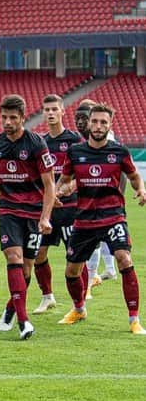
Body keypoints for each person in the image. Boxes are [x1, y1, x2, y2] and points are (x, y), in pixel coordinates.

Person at [55, 103, 146, 335]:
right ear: (90, 122)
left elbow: (134, 176)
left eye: (103, 122)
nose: (98, 126)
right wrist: (60, 191)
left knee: (124, 259)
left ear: (110, 125)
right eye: (95, 121)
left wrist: (141, 190)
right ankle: (79, 309)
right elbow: (64, 180)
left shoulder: (119, 152)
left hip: (113, 215)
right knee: (71, 272)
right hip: (84, 219)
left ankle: (134, 320)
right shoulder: (75, 152)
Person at [0, 94, 55, 340]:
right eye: (4, 117)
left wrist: (45, 217)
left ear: (22, 118)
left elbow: (49, 184)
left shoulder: (36, 144)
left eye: (12, 117)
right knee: (14, 257)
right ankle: (24, 322)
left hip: (33, 212)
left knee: (27, 269)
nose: (7, 122)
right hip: (8, 210)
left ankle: (11, 308)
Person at [32, 94, 82, 314]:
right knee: (38, 253)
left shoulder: (75, 140)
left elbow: (85, 170)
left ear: (63, 111)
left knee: (75, 257)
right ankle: (47, 296)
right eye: (46, 109)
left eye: (54, 109)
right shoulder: (40, 143)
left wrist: (72, 186)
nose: (50, 113)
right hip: (48, 210)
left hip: (71, 208)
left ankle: (78, 303)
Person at [75, 100, 119, 297]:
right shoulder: (84, 141)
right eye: (78, 119)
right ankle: (109, 269)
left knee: (95, 237)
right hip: (92, 196)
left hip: (106, 197)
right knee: (100, 238)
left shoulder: (107, 140)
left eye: (85, 118)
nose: (81, 122)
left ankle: (92, 279)